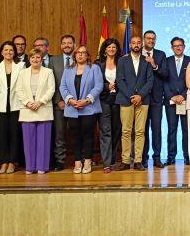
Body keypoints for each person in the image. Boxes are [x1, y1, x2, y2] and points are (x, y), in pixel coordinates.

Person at [60, 45, 103, 174]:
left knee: (88, 136)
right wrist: (70, 100)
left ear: (87, 55)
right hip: (72, 109)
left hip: (89, 108)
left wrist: (87, 100)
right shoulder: (68, 69)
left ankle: (88, 161)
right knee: (75, 137)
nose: (80, 55)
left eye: (83, 53)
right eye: (78, 53)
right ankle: (77, 161)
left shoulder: (94, 68)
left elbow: (99, 86)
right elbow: (62, 87)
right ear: (75, 55)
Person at [116, 35, 154, 170]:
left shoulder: (147, 61)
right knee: (126, 131)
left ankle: (138, 160)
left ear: (142, 45)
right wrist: (132, 96)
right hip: (126, 100)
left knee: (140, 131)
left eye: (139, 43)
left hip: (143, 101)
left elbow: (150, 81)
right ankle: (125, 161)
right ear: (130, 45)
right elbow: (120, 80)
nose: (136, 45)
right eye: (134, 43)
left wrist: (140, 96)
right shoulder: (122, 61)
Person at [16, 47, 55, 174]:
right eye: (33, 57)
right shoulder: (23, 73)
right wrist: (28, 103)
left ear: (42, 59)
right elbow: (19, 90)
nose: (35, 59)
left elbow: (51, 90)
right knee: (28, 141)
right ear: (29, 59)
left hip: (43, 108)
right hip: (27, 110)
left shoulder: (48, 72)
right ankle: (30, 167)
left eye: (38, 57)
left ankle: (42, 167)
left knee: (43, 141)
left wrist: (40, 102)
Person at [0, 41, 23, 174]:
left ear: (14, 52)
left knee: (14, 134)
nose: (8, 52)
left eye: (11, 50)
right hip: (0, 106)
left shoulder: (21, 66)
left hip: (16, 105)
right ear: (1, 52)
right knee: (2, 135)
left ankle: (12, 162)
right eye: (6, 50)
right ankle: (3, 162)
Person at [48, 34, 75, 171]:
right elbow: (51, 82)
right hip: (59, 104)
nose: (66, 45)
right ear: (60, 45)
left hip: (77, 105)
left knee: (77, 133)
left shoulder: (80, 58)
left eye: (69, 43)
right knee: (59, 134)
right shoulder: (53, 60)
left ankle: (79, 160)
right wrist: (58, 100)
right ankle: (60, 161)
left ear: (74, 45)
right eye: (64, 43)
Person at [163, 37, 190, 166]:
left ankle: (188, 157)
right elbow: (163, 80)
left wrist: (183, 95)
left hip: (186, 100)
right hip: (171, 102)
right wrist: (171, 96)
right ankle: (171, 157)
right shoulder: (167, 61)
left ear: (184, 46)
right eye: (175, 46)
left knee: (187, 130)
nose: (178, 48)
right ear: (172, 48)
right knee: (171, 130)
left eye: (180, 45)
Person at [141, 30, 167, 167]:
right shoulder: (137, 54)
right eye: (148, 38)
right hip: (142, 98)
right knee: (142, 129)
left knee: (156, 129)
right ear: (144, 39)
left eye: (153, 38)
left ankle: (157, 158)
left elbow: (165, 74)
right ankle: (143, 158)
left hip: (157, 98)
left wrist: (154, 65)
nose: (150, 40)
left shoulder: (161, 55)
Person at [97, 38, 123, 172]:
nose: (111, 49)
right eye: (109, 47)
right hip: (103, 100)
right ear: (105, 49)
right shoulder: (98, 64)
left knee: (116, 131)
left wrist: (117, 86)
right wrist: (107, 86)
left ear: (117, 49)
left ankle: (112, 160)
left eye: (114, 47)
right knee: (105, 131)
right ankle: (106, 163)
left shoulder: (122, 62)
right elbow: (94, 82)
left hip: (118, 100)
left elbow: (126, 79)